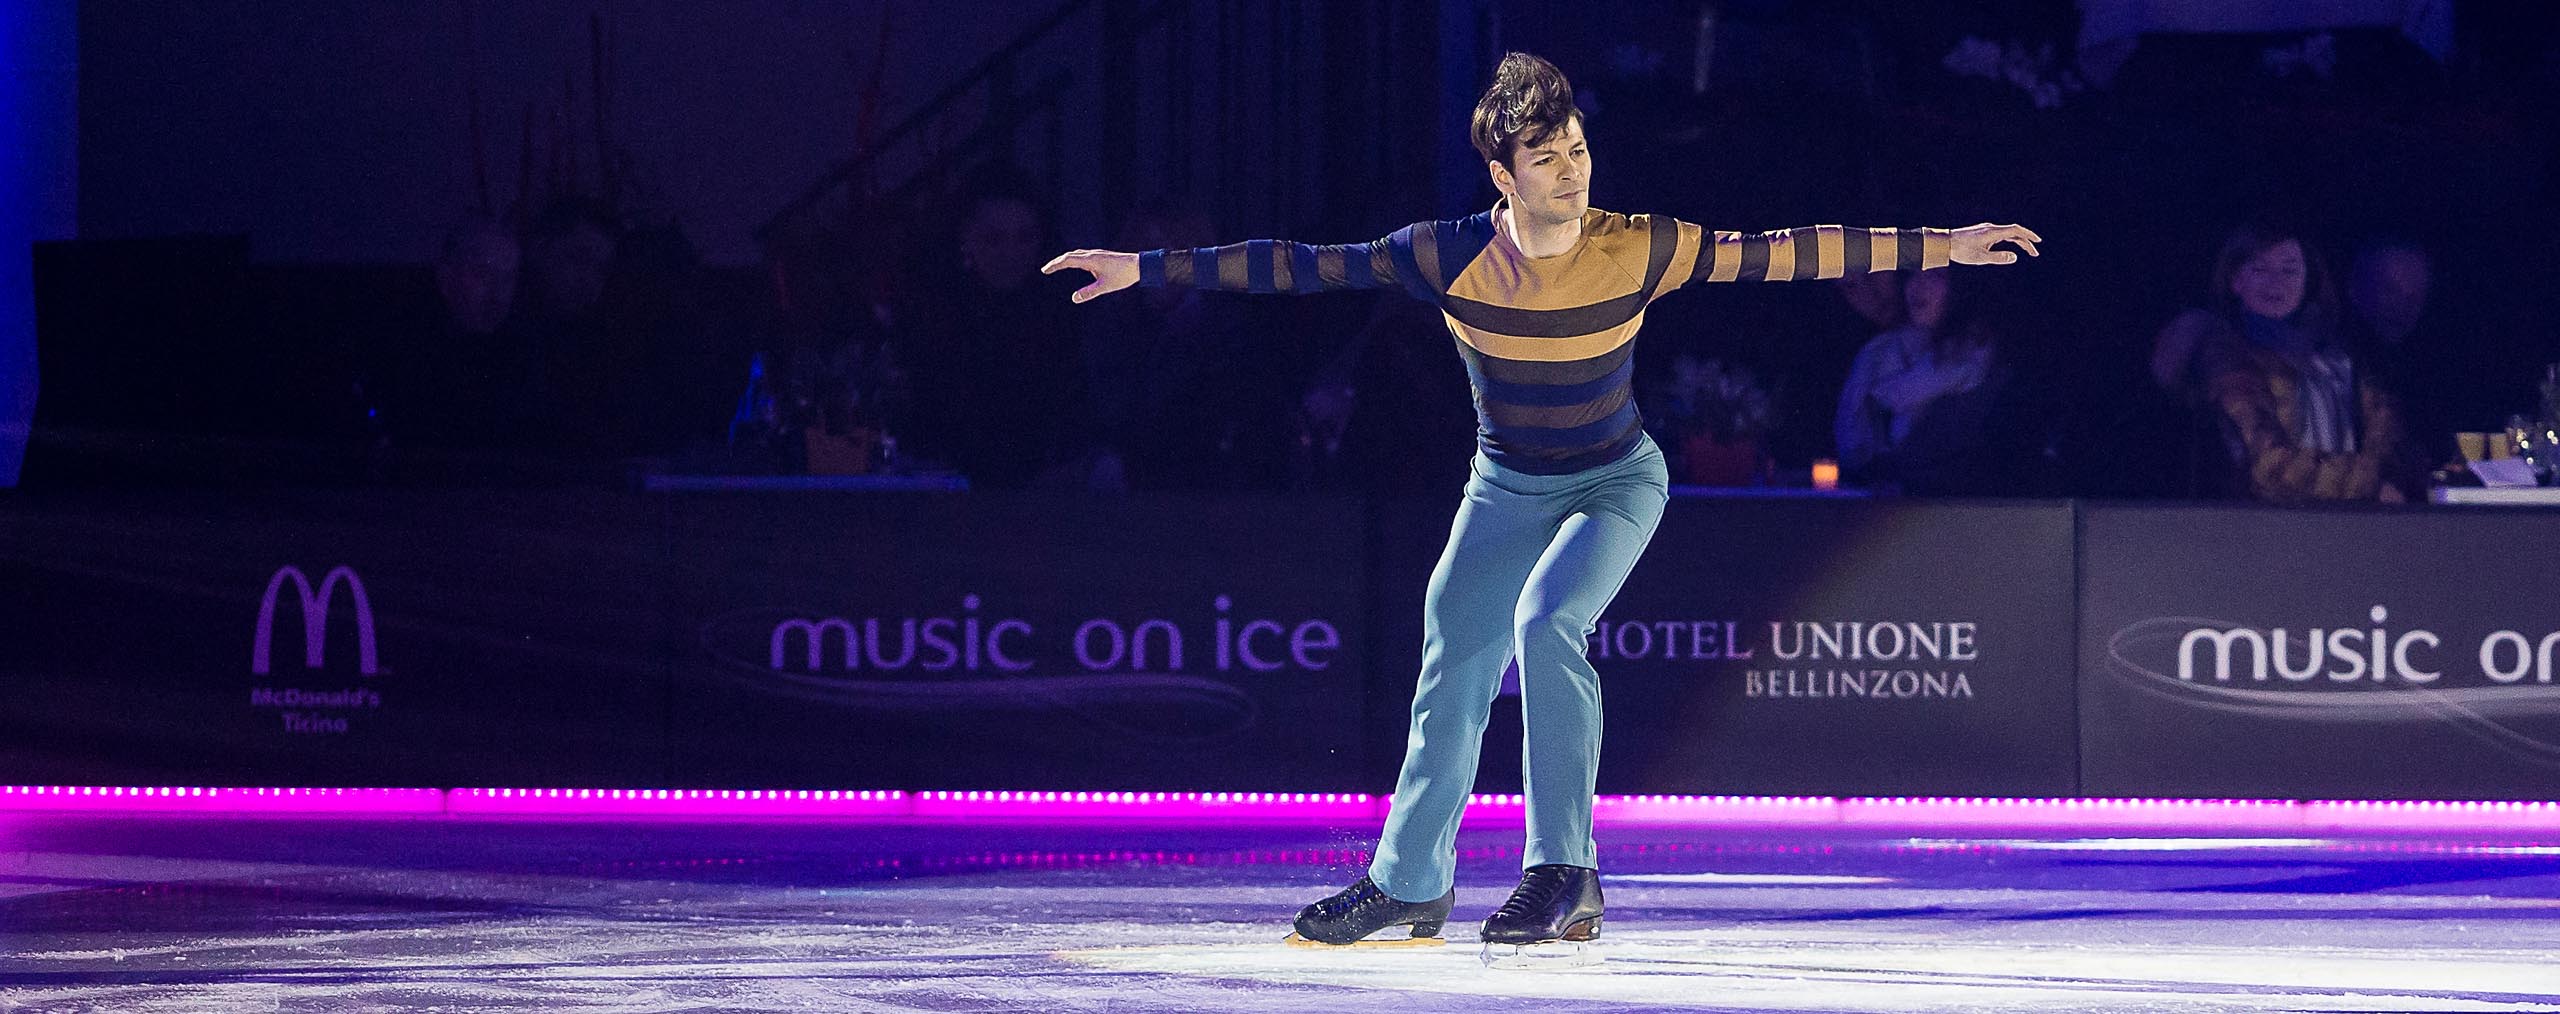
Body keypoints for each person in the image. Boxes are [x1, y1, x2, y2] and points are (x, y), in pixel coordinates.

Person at [1043, 52, 2039, 963]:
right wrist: (1144, 269)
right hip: (1504, 485)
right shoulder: (1444, 255)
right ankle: (1410, 883)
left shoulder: (1641, 246)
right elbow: (1304, 263)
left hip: (1615, 479)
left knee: (1548, 618)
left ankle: (1561, 871)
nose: (1572, 169)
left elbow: (1783, 250)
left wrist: (1944, 242)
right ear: (1503, 176)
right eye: (1547, 156)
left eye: (1577, 148)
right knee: (1454, 651)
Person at [2157, 223, 2413, 503]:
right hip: (2256, 527)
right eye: (2259, 270)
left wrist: (2399, 477)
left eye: (2289, 270)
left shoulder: (2336, 357)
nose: (2275, 282)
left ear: (2308, 279)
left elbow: (2391, 440)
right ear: (2235, 280)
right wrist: (2368, 485)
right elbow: (2265, 463)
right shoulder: (2224, 353)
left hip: (2351, 525)